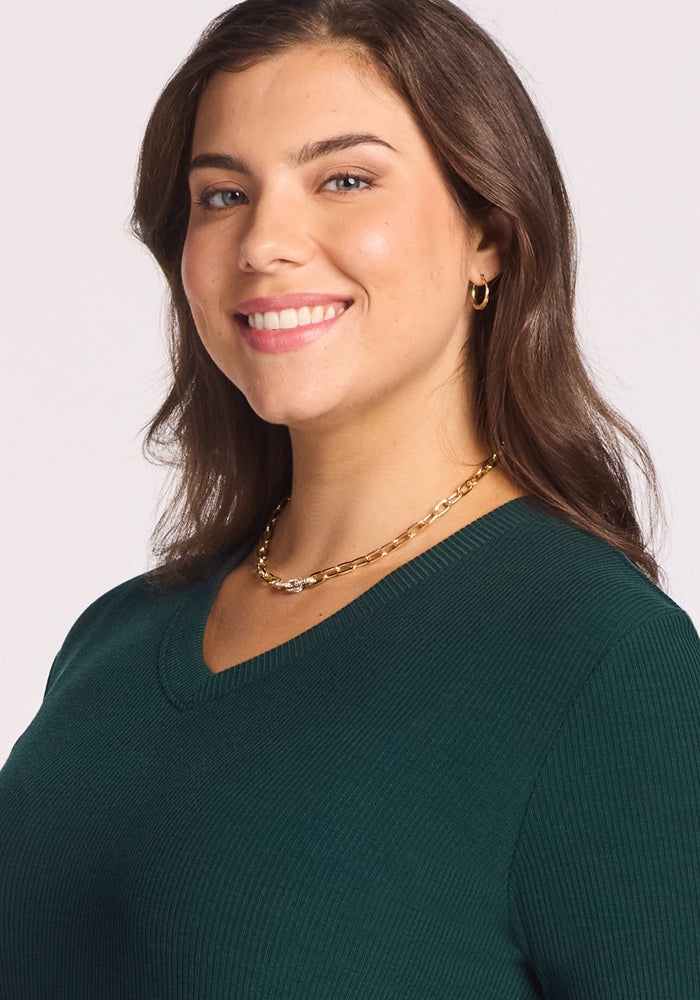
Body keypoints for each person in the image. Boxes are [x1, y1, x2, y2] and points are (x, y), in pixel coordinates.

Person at [1, 0, 698, 996]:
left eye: (344, 180)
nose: (265, 242)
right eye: (221, 194)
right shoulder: (112, 643)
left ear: (488, 236)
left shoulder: (604, 670)